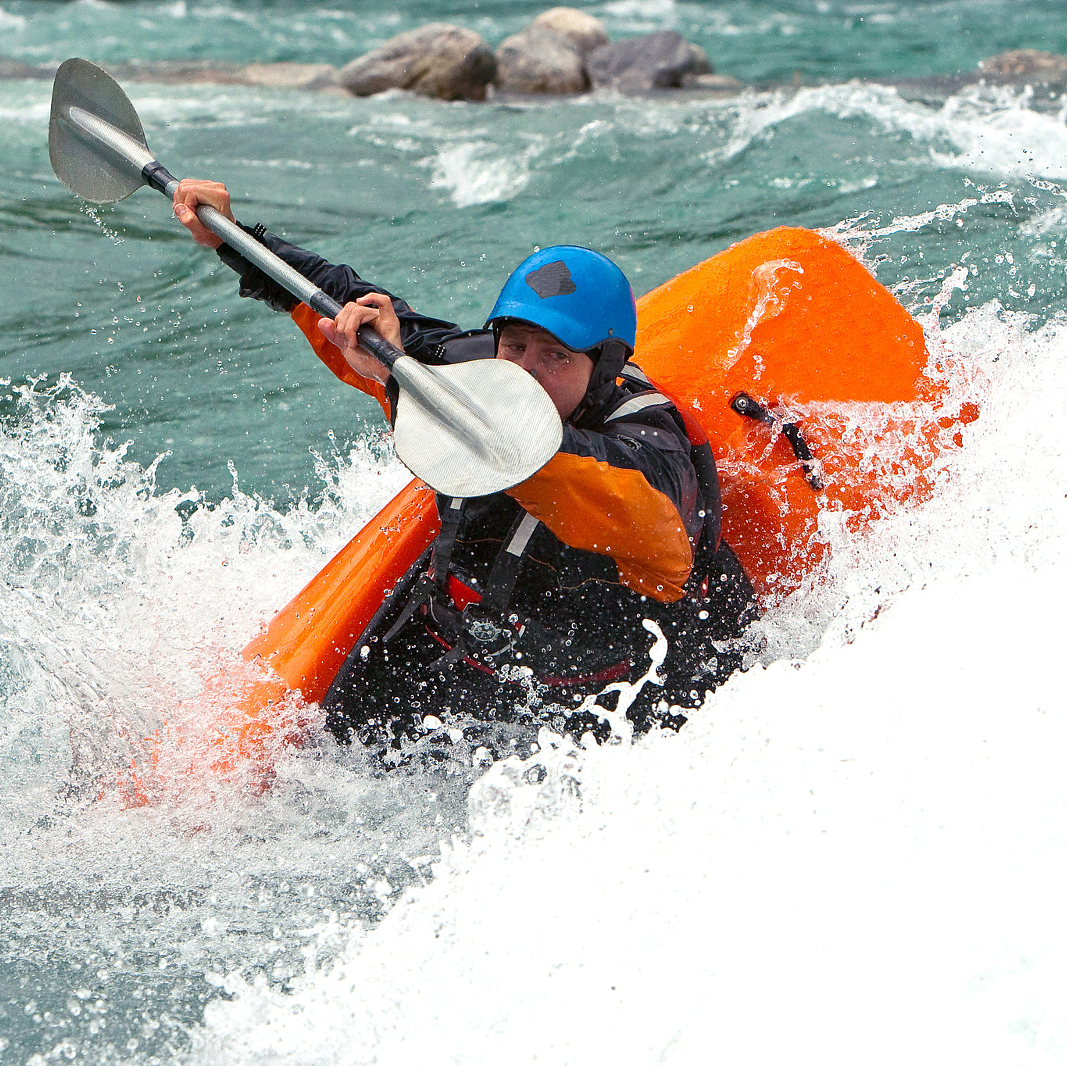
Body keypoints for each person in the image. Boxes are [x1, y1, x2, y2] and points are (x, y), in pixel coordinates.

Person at [173, 180, 756, 763]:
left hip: (608, 697)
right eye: (517, 346)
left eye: (556, 356)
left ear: (602, 368)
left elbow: (583, 477)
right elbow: (345, 302)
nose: (525, 373)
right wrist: (234, 238)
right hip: (457, 650)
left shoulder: (649, 446)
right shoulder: (476, 375)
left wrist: (401, 379)